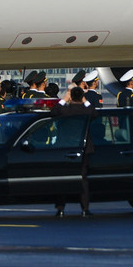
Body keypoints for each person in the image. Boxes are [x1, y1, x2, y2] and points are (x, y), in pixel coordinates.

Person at [50, 87, 95, 217]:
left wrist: (64, 99)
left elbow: (54, 111)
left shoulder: (65, 110)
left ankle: (61, 208)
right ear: (81, 97)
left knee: (63, 179)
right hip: (83, 149)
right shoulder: (86, 111)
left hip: (64, 148)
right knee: (83, 179)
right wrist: (85, 100)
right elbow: (94, 112)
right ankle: (85, 208)